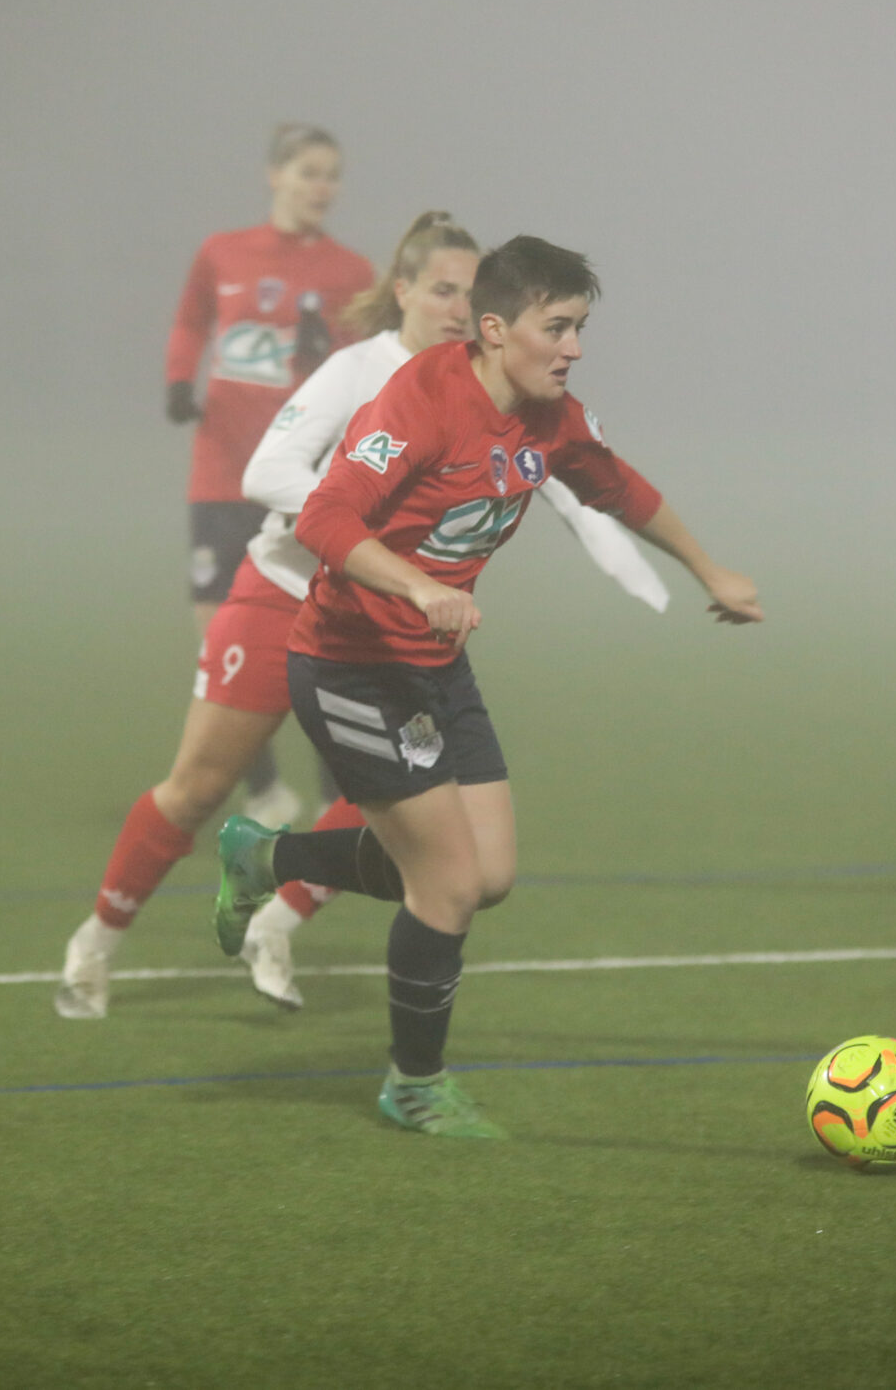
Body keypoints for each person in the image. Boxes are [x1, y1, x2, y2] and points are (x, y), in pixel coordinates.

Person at [209, 236, 762, 1137]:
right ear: (496, 329)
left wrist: (710, 568)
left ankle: (267, 860)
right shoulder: (422, 400)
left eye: (580, 328)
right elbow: (324, 514)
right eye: (558, 327)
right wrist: (419, 586)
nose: (573, 348)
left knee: (489, 875)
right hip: (350, 663)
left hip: (433, 665)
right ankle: (413, 1084)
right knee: (448, 887)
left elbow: (616, 486)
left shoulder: (550, 418)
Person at [57, 212, 474, 1018]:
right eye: (443, 289)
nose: (460, 309)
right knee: (197, 789)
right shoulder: (359, 369)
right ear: (403, 290)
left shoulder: (476, 388)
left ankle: (275, 923)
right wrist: (356, 527)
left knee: (405, 789)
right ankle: (95, 942)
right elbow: (268, 469)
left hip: (379, 622)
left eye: (471, 294)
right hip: (283, 593)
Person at [163, 123, 373, 827]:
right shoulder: (222, 252)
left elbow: (370, 371)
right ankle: (263, 792)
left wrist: (324, 356)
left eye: (332, 174)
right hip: (221, 471)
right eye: (310, 171)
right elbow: (192, 320)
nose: (323, 187)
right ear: (274, 174)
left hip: (300, 480)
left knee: (322, 638)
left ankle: (337, 797)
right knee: (216, 633)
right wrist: (178, 378)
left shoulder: (350, 273)